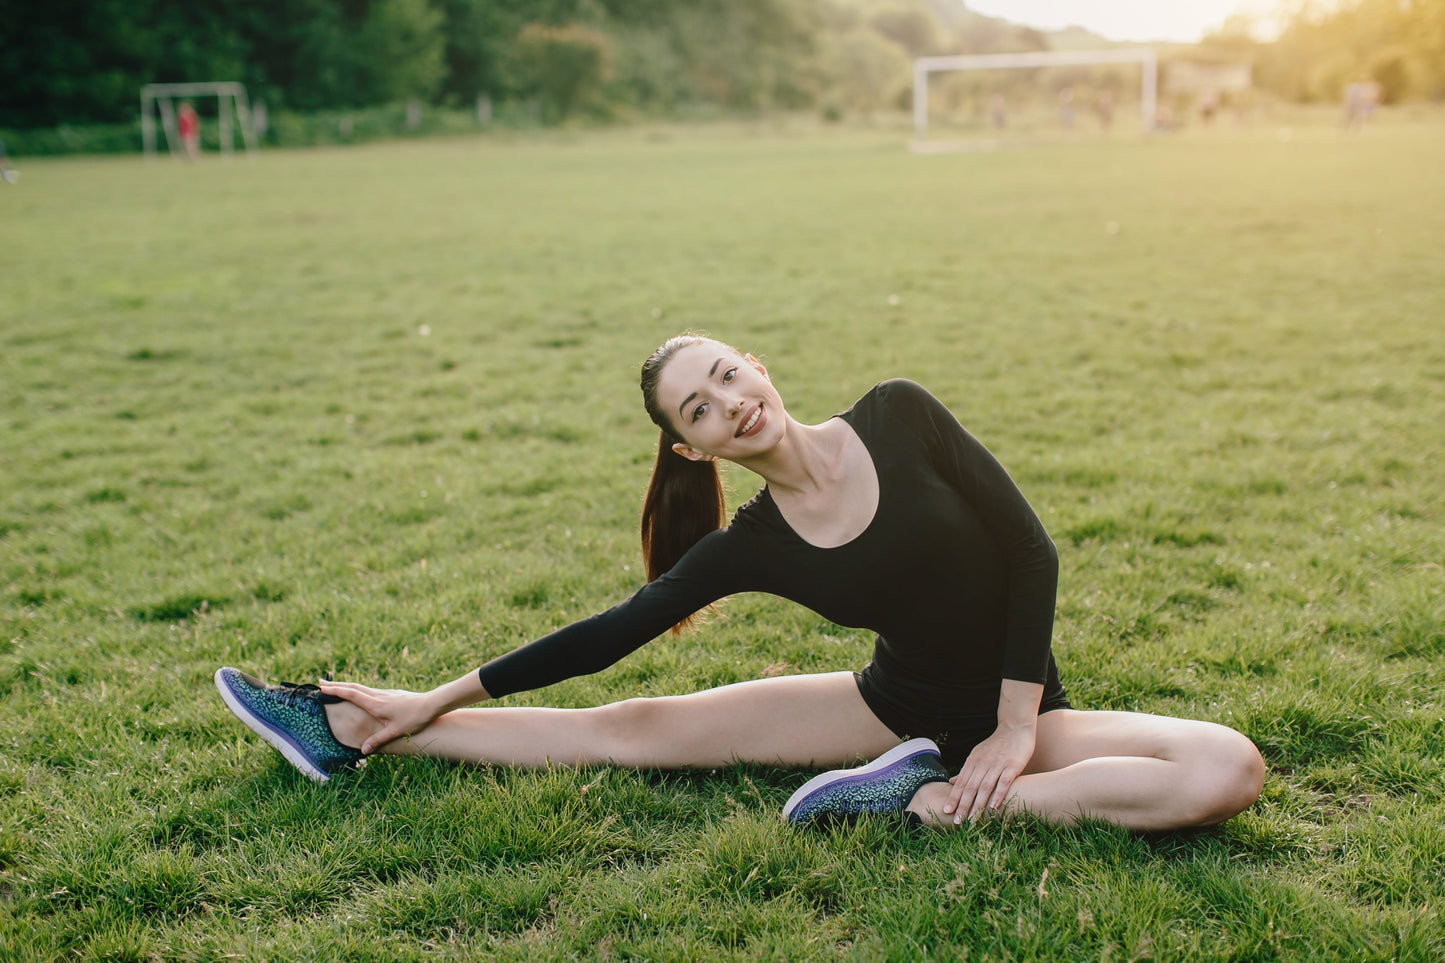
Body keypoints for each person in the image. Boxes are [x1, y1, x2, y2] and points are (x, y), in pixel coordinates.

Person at [216, 335, 1265, 831]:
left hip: (1009, 712)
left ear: (757, 365)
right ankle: (351, 733)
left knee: (1224, 769)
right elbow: (608, 635)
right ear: (694, 453)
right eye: (698, 411)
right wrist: (429, 698)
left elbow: (1031, 552)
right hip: (884, 706)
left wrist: (1013, 729)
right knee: (627, 726)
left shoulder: (898, 414)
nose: (726, 402)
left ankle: (936, 807)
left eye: (724, 375)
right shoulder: (749, 544)